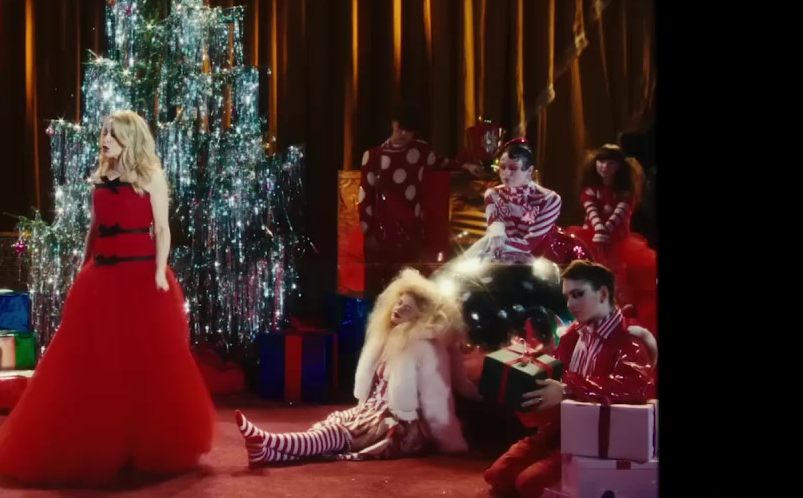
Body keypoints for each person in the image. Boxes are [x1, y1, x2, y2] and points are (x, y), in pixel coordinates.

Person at [0, 110, 215, 487]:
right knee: (95, 362)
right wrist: (83, 268)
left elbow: (162, 229)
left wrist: (160, 270)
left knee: (145, 363)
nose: (105, 139)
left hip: (142, 278)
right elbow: (94, 229)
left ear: (129, 139)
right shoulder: (100, 177)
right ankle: (97, 442)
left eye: (112, 134)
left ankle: (140, 444)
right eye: (104, 132)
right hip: (102, 279)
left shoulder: (151, 177)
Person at [234, 268, 478, 465]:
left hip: (401, 425)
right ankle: (266, 453)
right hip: (373, 412)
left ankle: (268, 440)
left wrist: (450, 441)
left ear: (420, 318)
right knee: (330, 428)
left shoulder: (427, 347)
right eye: (399, 303)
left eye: (407, 308)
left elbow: (437, 399)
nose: (398, 309)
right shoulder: (389, 337)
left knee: (335, 435)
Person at [482, 260, 656, 498]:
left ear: (603, 294)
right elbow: (554, 378)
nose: (570, 304)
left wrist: (567, 389)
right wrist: (526, 382)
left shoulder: (628, 339)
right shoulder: (573, 335)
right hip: (558, 431)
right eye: (567, 296)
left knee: (528, 484)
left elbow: (636, 385)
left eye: (578, 294)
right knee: (498, 476)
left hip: (595, 441)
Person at [358, 103, 485, 273]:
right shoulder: (374, 156)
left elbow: (441, 162)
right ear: (393, 124)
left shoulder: (421, 151)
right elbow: (365, 197)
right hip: (382, 231)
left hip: (411, 231)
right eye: (400, 128)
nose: (404, 134)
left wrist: (465, 166)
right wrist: (367, 233)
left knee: (409, 276)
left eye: (409, 130)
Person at [564, 144, 658, 318]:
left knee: (616, 271)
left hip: (617, 239)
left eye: (611, 163)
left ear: (619, 167)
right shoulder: (590, 189)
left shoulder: (625, 192)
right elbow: (591, 210)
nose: (605, 167)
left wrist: (605, 230)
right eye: (601, 162)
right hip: (591, 235)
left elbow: (620, 213)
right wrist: (599, 229)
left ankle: (623, 305)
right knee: (588, 270)